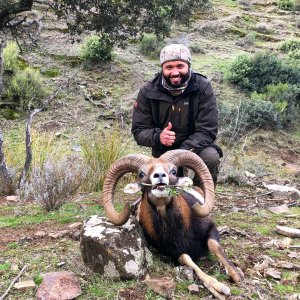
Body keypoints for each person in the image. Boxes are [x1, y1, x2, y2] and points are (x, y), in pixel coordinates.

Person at [131, 44, 223, 186]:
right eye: (169, 67)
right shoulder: (147, 91)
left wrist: (182, 152)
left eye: (180, 66)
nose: (175, 72)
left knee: (211, 158)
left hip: (196, 146)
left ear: (188, 66)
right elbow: (139, 131)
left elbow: (207, 130)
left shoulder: (203, 87)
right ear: (162, 68)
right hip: (163, 149)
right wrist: (158, 137)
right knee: (169, 190)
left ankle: (200, 198)